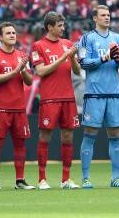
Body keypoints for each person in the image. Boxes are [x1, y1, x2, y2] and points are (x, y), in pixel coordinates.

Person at [77, 5, 119, 188]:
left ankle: (115, 178)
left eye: (108, 15)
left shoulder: (117, 38)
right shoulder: (87, 38)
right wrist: (104, 58)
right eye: (103, 15)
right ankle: (85, 178)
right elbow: (83, 63)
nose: (107, 18)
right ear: (94, 18)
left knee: (115, 135)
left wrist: (117, 59)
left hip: (114, 93)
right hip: (94, 94)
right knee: (90, 134)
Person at [31, 11, 81, 190]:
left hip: (68, 97)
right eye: (59, 25)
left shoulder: (67, 44)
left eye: (63, 25)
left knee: (68, 136)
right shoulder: (38, 46)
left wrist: (73, 57)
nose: (63, 28)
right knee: (45, 135)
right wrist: (62, 57)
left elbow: (76, 71)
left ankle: (66, 179)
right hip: (50, 98)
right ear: (49, 27)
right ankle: (42, 179)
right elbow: (41, 71)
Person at [0, 22, 35, 190]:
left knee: (21, 144)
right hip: (1, 108)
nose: (12, 35)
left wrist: (22, 70)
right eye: (8, 33)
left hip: (19, 108)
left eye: (14, 33)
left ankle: (20, 181)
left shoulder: (22, 55)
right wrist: (15, 71)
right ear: (0, 37)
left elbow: (29, 81)